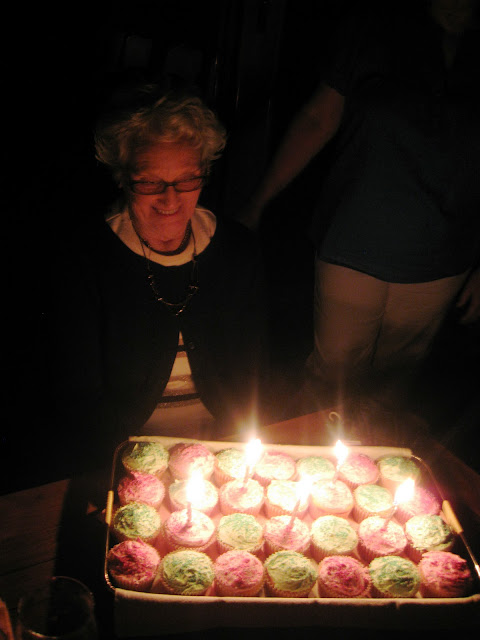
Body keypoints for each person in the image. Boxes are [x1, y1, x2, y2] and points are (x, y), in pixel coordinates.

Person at [239, 0, 480, 412]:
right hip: (354, 241)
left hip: (444, 256)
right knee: (330, 384)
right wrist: (256, 203)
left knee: (391, 392)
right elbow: (318, 119)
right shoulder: (374, 30)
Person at [43, 84, 271, 473]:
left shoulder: (238, 250)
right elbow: (79, 401)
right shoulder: (85, 260)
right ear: (122, 176)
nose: (170, 199)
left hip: (226, 460)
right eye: (149, 182)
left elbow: (255, 375)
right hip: (123, 462)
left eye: (187, 180)